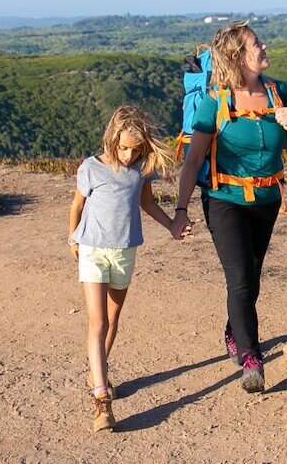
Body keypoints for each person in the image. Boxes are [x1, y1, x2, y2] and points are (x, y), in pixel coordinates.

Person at [170, 22, 287, 393]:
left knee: (252, 275)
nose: (264, 45)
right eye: (255, 42)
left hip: (267, 199)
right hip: (224, 199)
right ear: (236, 56)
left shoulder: (280, 92)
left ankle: (234, 329)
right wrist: (180, 210)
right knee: (241, 277)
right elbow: (194, 158)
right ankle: (251, 358)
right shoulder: (215, 101)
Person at [68, 105, 186, 432]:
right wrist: (72, 239)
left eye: (136, 149)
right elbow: (77, 206)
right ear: (111, 139)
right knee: (98, 320)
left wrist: (172, 227)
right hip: (92, 249)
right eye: (123, 147)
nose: (129, 154)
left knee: (114, 318)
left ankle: (97, 372)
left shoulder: (141, 170)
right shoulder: (91, 168)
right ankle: (101, 400)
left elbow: (146, 204)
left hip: (125, 251)